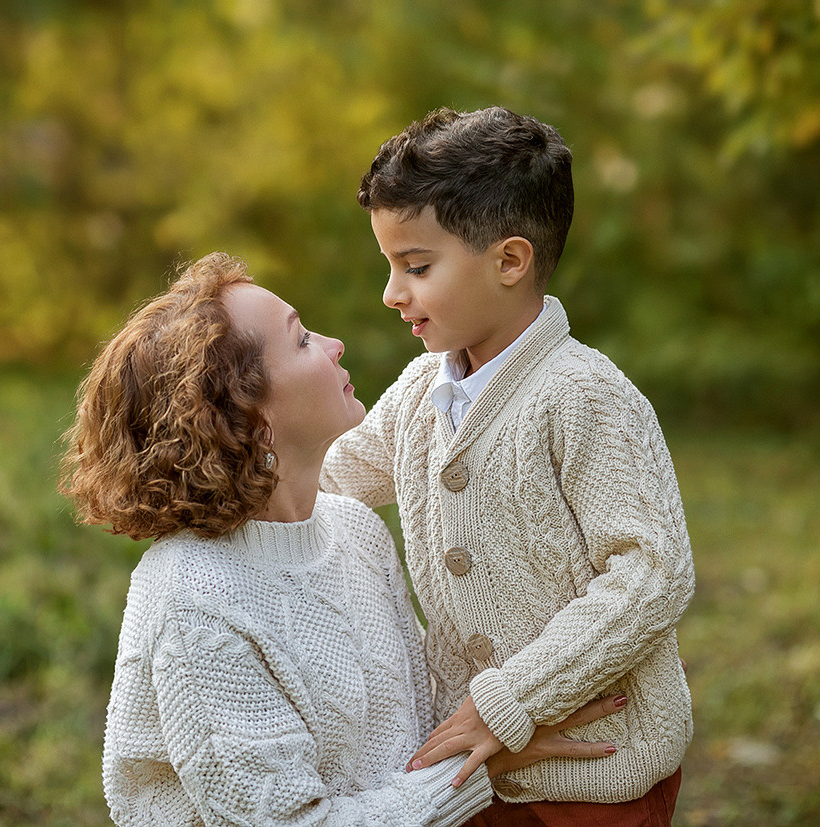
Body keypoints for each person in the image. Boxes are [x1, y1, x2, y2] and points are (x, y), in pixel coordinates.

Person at [60, 252, 627, 826]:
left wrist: (518, 706)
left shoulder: (355, 531)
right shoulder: (193, 600)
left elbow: (409, 733)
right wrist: (482, 770)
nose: (334, 344)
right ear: (247, 414)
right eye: (302, 340)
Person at [319, 106, 694, 825]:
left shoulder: (584, 395)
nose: (392, 294)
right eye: (390, 266)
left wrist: (512, 699)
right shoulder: (419, 392)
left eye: (416, 266)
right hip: (476, 771)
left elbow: (652, 571)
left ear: (510, 260)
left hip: (599, 770)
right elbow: (329, 480)